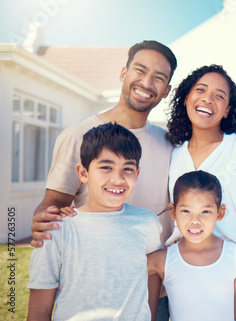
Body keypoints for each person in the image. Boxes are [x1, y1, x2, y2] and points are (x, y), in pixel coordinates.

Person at [30, 40, 177, 319]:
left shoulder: (169, 142)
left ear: (166, 91)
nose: (147, 82)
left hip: (154, 290)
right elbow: (51, 206)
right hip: (94, 289)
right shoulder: (79, 134)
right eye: (140, 70)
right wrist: (42, 220)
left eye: (159, 78)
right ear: (124, 73)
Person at [166, 64, 236, 320]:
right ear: (186, 98)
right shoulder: (174, 155)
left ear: (227, 111)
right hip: (184, 282)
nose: (207, 99)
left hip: (233, 283)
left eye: (219, 96)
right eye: (200, 90)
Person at [27, 123, 163, 321]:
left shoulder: (147, 222)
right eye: (106, 167)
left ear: (137, 174)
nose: (118, 178)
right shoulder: (55, 230)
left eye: (128, 168)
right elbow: (39, 311)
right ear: (83, 173)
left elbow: (152, 275)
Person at [148, 170, 236, 321]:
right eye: (186, 211)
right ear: (173, 212)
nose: (195, 220)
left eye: (205, 211)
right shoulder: (161, 260)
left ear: (220, 213)